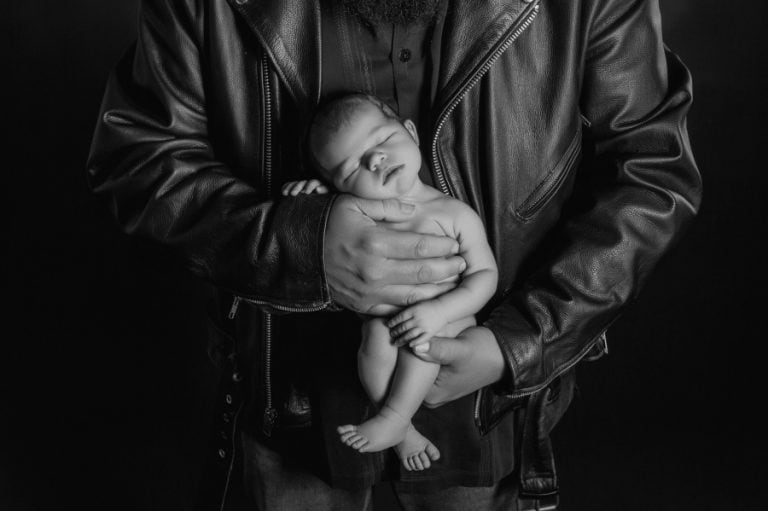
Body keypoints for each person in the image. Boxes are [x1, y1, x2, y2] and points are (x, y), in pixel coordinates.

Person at [87, 0, 701, 509]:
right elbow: (138, 158)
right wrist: (297, 246)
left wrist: (520, 341)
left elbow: (651, 173)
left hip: (486, 403)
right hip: (287, 396)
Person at [282, 93, 498, 471]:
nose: (375, 160)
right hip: (386, 320)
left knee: (422, 344)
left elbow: (485, 276)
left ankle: (394, 417)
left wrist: (438, 310)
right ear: (341, 189)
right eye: (353, 169)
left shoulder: (454, 214)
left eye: (381, 142)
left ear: (411, 133)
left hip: (447, 317)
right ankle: (401, 426)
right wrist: (314, 205)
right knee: (375, 341)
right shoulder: (361, 212)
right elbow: (334, 229)